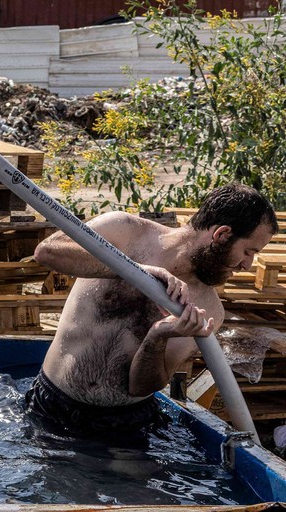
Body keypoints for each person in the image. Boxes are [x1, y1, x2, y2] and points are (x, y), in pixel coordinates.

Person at [29, 183, 278, 441]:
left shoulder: (208, 309)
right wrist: (133, 271)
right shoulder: (125, 231)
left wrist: (158, 337)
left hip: (127, 424)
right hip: (52, 405)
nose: (247, 265)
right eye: (248, 251)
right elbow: (47, 252)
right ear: (222, 235)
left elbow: (141, 386)